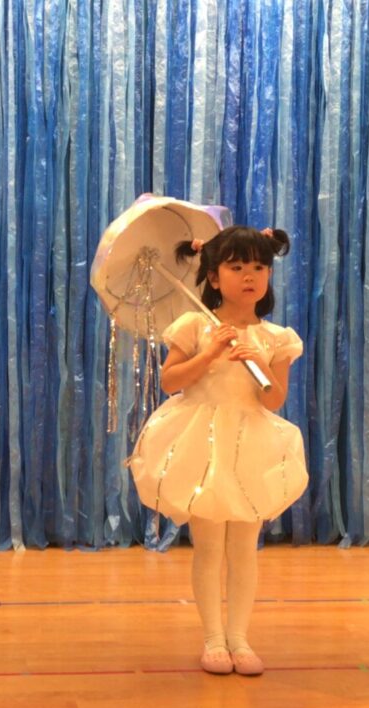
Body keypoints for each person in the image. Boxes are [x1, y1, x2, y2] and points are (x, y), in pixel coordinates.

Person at [128, 225, 307, 676]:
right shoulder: (194, 326)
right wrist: (209, 354)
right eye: (237, 266)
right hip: (200, 443)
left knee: (245, 545)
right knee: (208, 546)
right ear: (213, 276)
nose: (250, 276)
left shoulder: (276, 337)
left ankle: (239, 638)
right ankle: (213, 639)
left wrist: (259, 361)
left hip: (252, 445)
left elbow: (274, 400)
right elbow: (170, 381)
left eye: (259, 267)